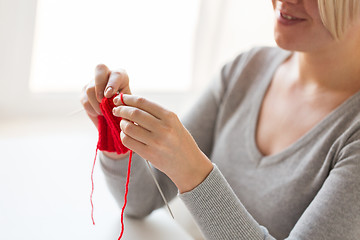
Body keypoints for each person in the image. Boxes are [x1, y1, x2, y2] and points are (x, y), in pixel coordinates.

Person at [81, 0, 360, 239]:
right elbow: (140, 201)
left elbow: (183, 175)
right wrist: (117, 135)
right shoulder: (246, 69)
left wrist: (192, 171)